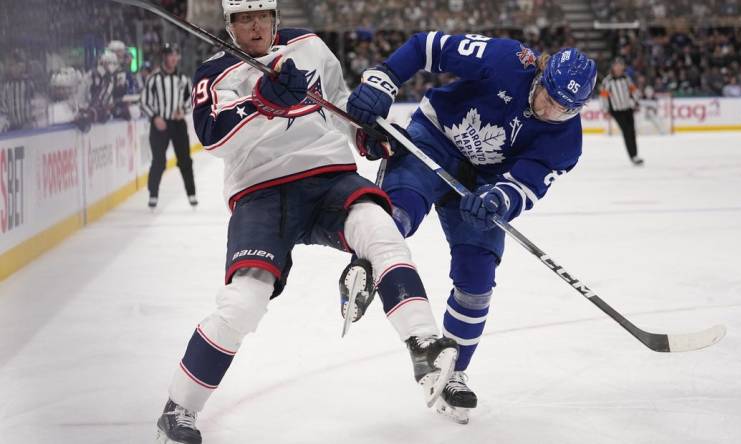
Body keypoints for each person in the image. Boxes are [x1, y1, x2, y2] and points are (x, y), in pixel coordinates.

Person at [154, 1, 458, 443]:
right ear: (229, 24)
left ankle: (424, 344)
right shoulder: (213, 72)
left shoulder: (308, 45)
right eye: (244, 19)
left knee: (380, 230)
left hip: (329, 178)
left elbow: (337, 104)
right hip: (262, 192)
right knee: (244, 301)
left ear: (274, 17)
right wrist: (261, 101)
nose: (255, 26)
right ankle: (178, 408)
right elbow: (211, 136)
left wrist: (366, 134)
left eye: (262, 16)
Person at [342, 32, 597, 424]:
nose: (550, 110)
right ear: (541, 74)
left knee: (477, 280)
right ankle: (364, 265)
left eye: (565, 109)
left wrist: (500, 199)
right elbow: (427, 46)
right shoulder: (505, 59)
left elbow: (526, 184)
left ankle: (451, 371)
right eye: (548, 96)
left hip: (483, 187)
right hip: (434, 141)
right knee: (399, 214)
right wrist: (385, 77)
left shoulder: (568, 141)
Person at [141, 43, 197, 209]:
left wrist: (184, 111)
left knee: (185, 160)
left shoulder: (183, 79)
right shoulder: (154, 78)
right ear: (164, 57)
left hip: (178, 124)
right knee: (158, 161)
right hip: (160, 125)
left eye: (175, 54)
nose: (173, 58)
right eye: (170, 54)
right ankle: (153, 194)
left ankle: (191, 193)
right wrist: (155, 117)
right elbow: (144, 102)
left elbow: (192, 99)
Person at [600, 58, 643, 166]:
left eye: (620, 65)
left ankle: (635, 155)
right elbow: (604, 97)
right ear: (613, 67)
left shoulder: (626, 78)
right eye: (616, 65)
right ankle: (633, 156)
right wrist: (605, 110)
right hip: (616, 111)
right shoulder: (607, 81)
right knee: (627, 131)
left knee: (632, 132)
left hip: (628, 108)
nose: (618, 67)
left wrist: (638, 101)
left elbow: (633, 90)